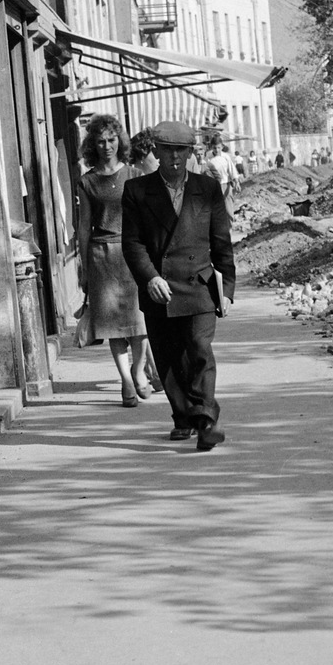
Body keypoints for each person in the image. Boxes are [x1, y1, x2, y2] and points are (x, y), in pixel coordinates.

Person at [121, 120, 235, 453]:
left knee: (199, 350)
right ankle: (183, 416)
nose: (175, 158)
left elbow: (221, 241)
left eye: (182, 151)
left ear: (189, 153)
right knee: (169, 357)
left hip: (198, 284)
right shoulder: (137, 191)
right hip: (159, 286)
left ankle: (205, 420)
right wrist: (150, 277)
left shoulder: (207, 188)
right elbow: (132, 243)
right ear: (155, 150)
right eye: (169, 150)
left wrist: (226, 288)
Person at [75, 114, 152, 407]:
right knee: (113, 327)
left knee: (140, 322)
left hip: (133, 254)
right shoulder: (88, 181)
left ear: (120, 140)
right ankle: (127, 381)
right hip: (102, 258)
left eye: (111, 139)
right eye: (100, 141)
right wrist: (83, 267)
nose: (107, 146)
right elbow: (83, 227)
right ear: (92, 144)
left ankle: (138, 369)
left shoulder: (133, 175)